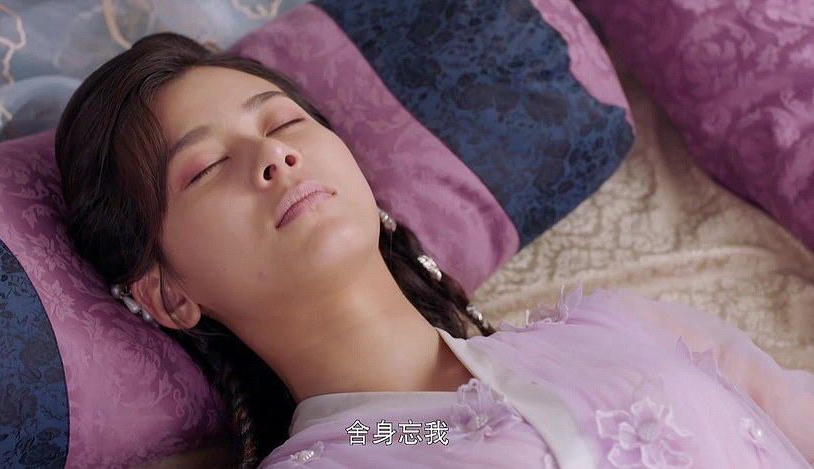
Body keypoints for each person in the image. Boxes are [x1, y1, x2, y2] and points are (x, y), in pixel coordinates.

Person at [55, 33, 813, 469]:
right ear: (167, 296)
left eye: (283, 124)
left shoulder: (625, 325)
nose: (273, 157)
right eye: (206, 167)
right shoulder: (352, 454)